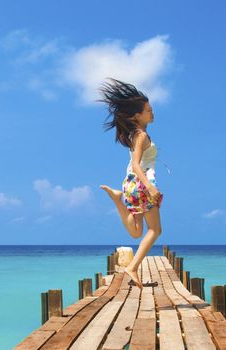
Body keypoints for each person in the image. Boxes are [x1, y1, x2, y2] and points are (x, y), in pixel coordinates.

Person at [97, 78, 164, 290]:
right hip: (141, 184)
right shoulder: (141, 135)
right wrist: (150, 186)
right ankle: (133, 267)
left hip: (130, 185)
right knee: (155, 230)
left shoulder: (136, 134)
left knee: (136, 232)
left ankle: (118, 200)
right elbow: (136, 164)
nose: (152, 113)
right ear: (137, 115)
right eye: (148, 110)